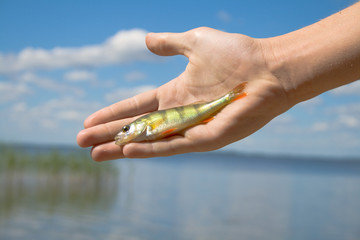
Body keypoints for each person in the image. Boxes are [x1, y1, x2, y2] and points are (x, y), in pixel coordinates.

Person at [77, 3, 360, 161]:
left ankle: (229, 97)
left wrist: (268, 65)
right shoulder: (146, 128)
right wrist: (273, 69)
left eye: (128, 128)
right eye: (126, 131)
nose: (126, 131)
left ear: (138, 125)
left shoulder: (146, 125)